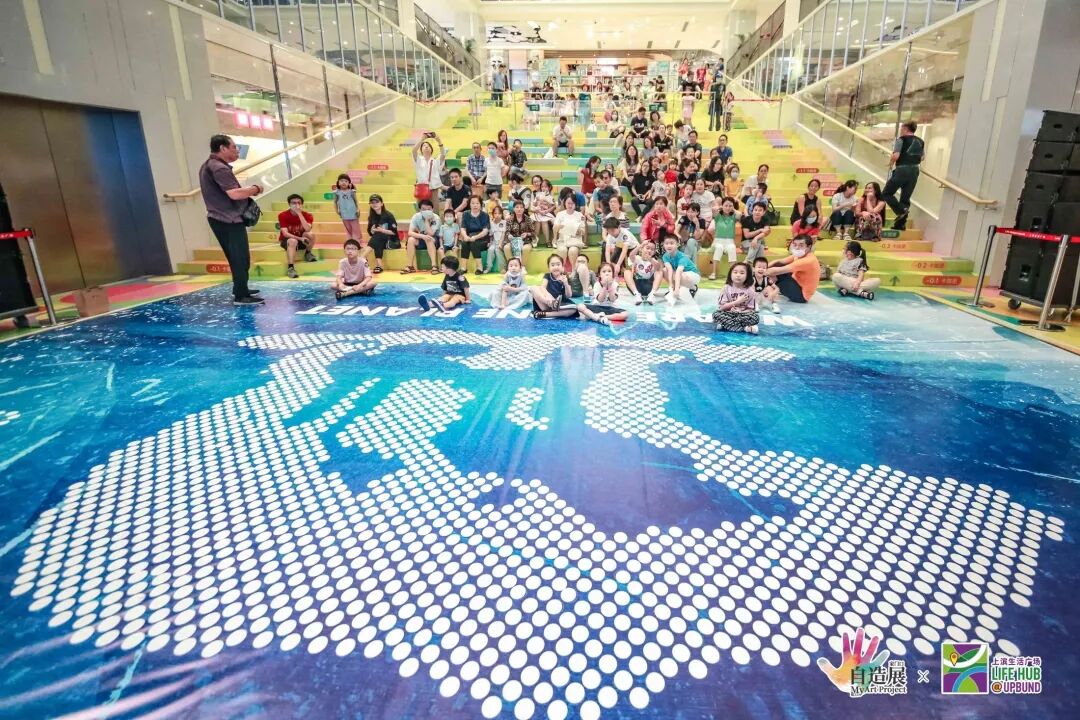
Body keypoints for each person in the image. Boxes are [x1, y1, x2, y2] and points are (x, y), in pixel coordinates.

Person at [199, 134, 263, 305]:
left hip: (221, 219)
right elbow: (234, 194)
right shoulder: (219, 168)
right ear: (222, 148)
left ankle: (241, 288)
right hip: (228, 220)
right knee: (239, 257)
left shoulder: (209, 165)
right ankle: (241, 296)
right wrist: (255, 189)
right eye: (234, 147)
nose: (237, 150)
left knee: (238, 257)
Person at [883, 121, 923, 229]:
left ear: (905, 128)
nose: (901, 130)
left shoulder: (901, 140)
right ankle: (900, 224)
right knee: (905, 197)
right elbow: (922, 157)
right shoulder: (920, 141)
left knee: (887, 193)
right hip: (915, 170)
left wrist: (891, 163)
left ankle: (901, 211)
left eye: (902, 128)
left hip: (902, 169)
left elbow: (896, 155)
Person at [764, 234, 820, 303]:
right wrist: (763, 267)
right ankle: (768, 288)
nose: (797, 248)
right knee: (777, 265)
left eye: (801, 245)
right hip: (797, 284)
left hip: (801, 296)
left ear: (809, 247)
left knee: (778, 273)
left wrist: (758, 272)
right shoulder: (800, 255)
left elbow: (776, 271)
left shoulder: (808, 260)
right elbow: (779, 261)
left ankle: (767, 290)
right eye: (795, 245)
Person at [278, 193, 317, 279]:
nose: (296, 205)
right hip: (288, 241)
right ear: (289, 204)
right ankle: (291, 268)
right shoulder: (283, 215)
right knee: (293, 241)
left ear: (302, 204)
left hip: (302, 240)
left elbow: (307, 229)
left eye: (299, 203)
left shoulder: (308, 215)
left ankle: (308, 253)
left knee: (311, 234)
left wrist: (299, 214)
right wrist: (300, 238)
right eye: (293, 203)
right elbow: (285, 234)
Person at [713, 262, 759, 334]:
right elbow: (722, 307)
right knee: (716, 314)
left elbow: (751, 309)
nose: (738, 275)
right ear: (730, 274)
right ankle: (744, 328)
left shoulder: (750, 291)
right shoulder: (726, 288)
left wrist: (740, 311)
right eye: (735, 272)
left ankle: (726, 326)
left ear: (747, 276)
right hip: (729, 313)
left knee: (755, 317)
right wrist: (737, 302)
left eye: (742, 273)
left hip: (743, 315)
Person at [530, 254, 579, 319]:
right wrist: (549, 299)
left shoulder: (565, 277)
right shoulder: (547, 276)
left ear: (562, 266)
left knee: (573, 309)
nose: (555, 267)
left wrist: (566, 284)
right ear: (549, 267)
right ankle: (552, 306)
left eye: (558, 264)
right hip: (545, 304)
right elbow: (543, 287)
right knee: (533, 288)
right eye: (552, 265)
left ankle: (546, 314)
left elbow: (569, 296)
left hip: (560, 306)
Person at [660, 233, 700, 304]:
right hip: (681, 274)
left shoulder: (682, 257)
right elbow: (669, 270)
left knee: (679, 275)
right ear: (663, 245)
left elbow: (678, 272)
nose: (669, 246)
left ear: (677, 244)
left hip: (693, 275)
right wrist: (671, 286)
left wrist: (677, 289)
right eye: (666, 243)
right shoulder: (665, 256)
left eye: (671, 243)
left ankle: (693, 288)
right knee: (664, 270)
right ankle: (674, 289)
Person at [403, 197, 440, 275]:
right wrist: (422, 236)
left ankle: (434, 266)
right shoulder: (416, 217)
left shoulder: (436, 218)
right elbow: (410, 232)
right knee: (411, 239)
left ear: (432, 209)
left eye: (429, 209)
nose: (426, 211)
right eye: (424, 209)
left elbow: (431, 233)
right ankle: (410, 266)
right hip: (421, 238)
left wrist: (426, 220)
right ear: (420, 210)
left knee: (428, 238)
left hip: (434, 240)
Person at [708, 197, 741, 280]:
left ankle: (732, 274)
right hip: (717, 241)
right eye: (726, 205)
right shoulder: (718, 216)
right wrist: (722, 207)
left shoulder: (733, 216)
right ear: (722, 205)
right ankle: (713, 273)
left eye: (730, 206)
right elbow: (713, 209)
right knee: (719, 247)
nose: (728, 208)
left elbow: (740, 214)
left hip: (729, 242)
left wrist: (733, 208)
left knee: (732, 247)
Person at [412, 133, 446, 206]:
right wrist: (422, 139)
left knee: (435, 209)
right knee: (421, 209)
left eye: (428, 146)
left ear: (431, 150)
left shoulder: (435, 161)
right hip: (421, 188)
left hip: (433, 188)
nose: (426, 147)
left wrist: (439, 141)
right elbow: (414, 151)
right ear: (421, 150)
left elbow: (443, 154)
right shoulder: (419, 160)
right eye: (424, 146)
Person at [365, 194, 396, 274]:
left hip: (391, 240)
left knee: (379, 235)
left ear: (382, 203)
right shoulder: (371, 217)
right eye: (372, 202)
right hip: (379, 240)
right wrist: (372, 231)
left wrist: (382, 230)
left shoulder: (388, 215)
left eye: (377, 202)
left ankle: (363, 256)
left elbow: (394, 232)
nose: (374, 204)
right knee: (377, 237)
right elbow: (371, 233)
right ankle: (379, 265)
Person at [553, 193, 587, 266]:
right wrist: (559, 227)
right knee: (562, 250)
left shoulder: (580, 215)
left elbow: (583, 232)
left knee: (573, 250)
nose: (570, 205)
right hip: (562, 240)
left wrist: (578, 231)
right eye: (568, 203)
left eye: (572, 203)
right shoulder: (560, 214)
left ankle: (574, 270)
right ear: (565, 203)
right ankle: (562, 270)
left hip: (575, 241)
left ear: (575, 204)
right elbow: (555, 228)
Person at [459, 196, 490, 275]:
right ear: (469, 204)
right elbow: (463, 228)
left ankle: (480, 268)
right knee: (464, 243)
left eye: (477, 203)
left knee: (474, 243)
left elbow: (485, 231)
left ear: (480, 204)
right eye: (472, 203)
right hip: (469, 237)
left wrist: (475, 237)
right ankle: (463, 268)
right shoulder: (465, 214)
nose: (475, 205)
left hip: (482, 239)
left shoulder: (485, 215)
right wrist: (465, 236)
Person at [625, 240, 663, 304]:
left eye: (652, 249)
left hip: (649, 287)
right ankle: (637, 295)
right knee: (627, 272)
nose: (649, 250)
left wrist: (650, 259)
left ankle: (652, 295)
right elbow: (631, 255)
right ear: (641, 249)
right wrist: (640, 245)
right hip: (636, 286)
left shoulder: (654, 261)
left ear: (654, 252)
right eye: (647, 248)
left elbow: (658, 267)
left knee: (660, 272)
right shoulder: (637, 258)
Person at [677, 201, 712, 267]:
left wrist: (697, 224)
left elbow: (696, 237)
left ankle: (684, 263)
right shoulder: (683, 218)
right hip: (683, 243)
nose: (690, 214)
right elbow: (676, 231)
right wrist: (678, 236)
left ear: (697, 213)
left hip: (696, 243)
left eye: (693, 212)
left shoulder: (701, 221)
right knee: (694, 250)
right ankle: (694, 268)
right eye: (688, 211)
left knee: (691, 241)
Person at [333, 174, 361, 247]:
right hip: (344, 214)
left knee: (355, 229)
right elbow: (335, 202)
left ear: (349, 183)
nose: (344, 182)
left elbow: (356, 201)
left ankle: (357, 243)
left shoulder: (352, 191)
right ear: (338, 182)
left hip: (353, 213)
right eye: (342, 181)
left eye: (346, 181)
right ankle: (350, 243)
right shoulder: (337, 192)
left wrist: (358, 209)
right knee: (348, 229)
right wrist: (337, 210)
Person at [505, 200, 535, 266]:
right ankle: (512, 266)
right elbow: (507, 232)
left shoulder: (528, 219)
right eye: (517, 207)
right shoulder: (510, 219)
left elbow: (533, 233)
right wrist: (509, 235)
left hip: (526, 241)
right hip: (513, 241)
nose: (519, 209)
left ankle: (522, 267)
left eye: (521, 207)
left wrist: (527, 234)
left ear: (524, 209)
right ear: (513, 209)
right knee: (506, 248)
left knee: (525, 249)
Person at [530, 175, 556, 248]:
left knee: (544, 221)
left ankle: (549, 241)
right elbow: (532, 206)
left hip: (547, 213)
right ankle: (535, 239)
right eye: (534, 182)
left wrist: (546, 208)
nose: (536, 183)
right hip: (538, 213)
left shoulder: (549, 194)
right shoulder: (535, 194)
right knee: (537, 221)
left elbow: (553, 206)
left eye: (538, 181)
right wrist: (537, 209)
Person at [486, 204, 507, 274]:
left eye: (499, 213)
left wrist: (500, 243)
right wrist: (489, 242)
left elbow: (503, 234)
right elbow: (491, 235)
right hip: (494, 242)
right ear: (493, 214)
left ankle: (503, 267)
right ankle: (488, 267)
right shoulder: (491, 223)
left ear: (502, 214)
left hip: (503, 242)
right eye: (495, 213)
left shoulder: (504, 222)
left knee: (497, 250)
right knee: (490, 250)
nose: (497, 215)